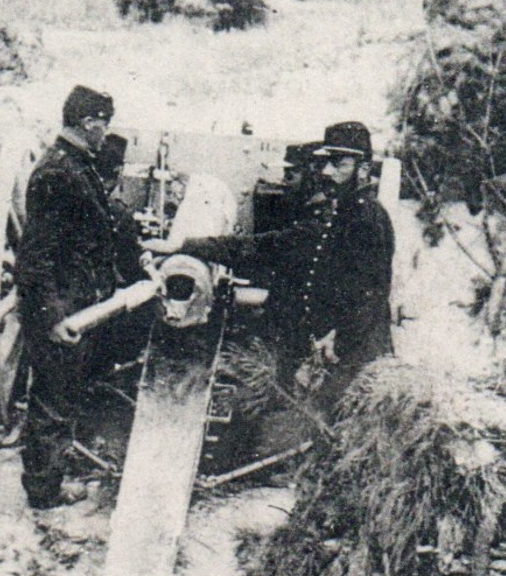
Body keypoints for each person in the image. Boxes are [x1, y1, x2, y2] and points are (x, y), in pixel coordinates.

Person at [145, 120, 394, 411]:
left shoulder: (369, 221)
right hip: (328, 351)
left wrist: (338, 339)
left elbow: (373, 294)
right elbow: (264, 246)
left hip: (348, 357)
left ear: (363, 168)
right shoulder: (337, 216)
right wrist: (185, 245)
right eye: (327, 163)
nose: (327, 172)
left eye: (339, 164)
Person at [16, 86, 149, 510]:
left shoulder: (74, 166)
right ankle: (44, 492)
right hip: (64, 310)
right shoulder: (59, 172)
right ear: (89, 122)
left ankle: (50, 478)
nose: (104, 132)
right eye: (102, 123)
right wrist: (54, 316)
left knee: (62, 395)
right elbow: (35, 256)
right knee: (52, 401)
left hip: (80, 305)